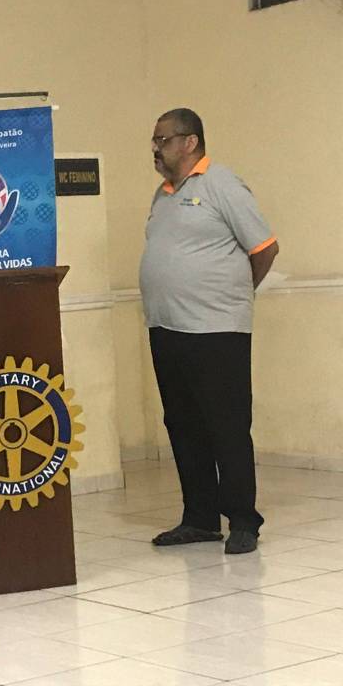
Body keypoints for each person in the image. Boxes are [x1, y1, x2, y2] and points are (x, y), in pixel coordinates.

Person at [139, 108, 278, 555]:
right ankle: (199, 518)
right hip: (167, 328)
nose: (156, 148)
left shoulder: (222, 184)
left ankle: (243, 520)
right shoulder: (163, 194)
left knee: (227, 424)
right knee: (183, 424)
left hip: (217, 329)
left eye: (163, 140)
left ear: (190, 142)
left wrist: (235, 293)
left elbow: (265, 248)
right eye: (154, 140)